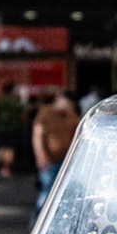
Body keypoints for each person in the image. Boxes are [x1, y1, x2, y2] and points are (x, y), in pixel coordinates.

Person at [32, 89, 80, 217]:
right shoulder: (46, 112)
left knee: (62, 196)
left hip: (66, 162)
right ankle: (37, 224)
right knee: (45, 195)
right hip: (49, 162)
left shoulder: (72, 116)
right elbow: (38, 134)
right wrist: (41, 156)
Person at [0, 83, 26, 177]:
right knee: (10, 147)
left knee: (2, 146)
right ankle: (7, 167)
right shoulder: (15, 100)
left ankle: (2, 165)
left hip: (0, 126)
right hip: (12, 126)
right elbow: (22, 113)